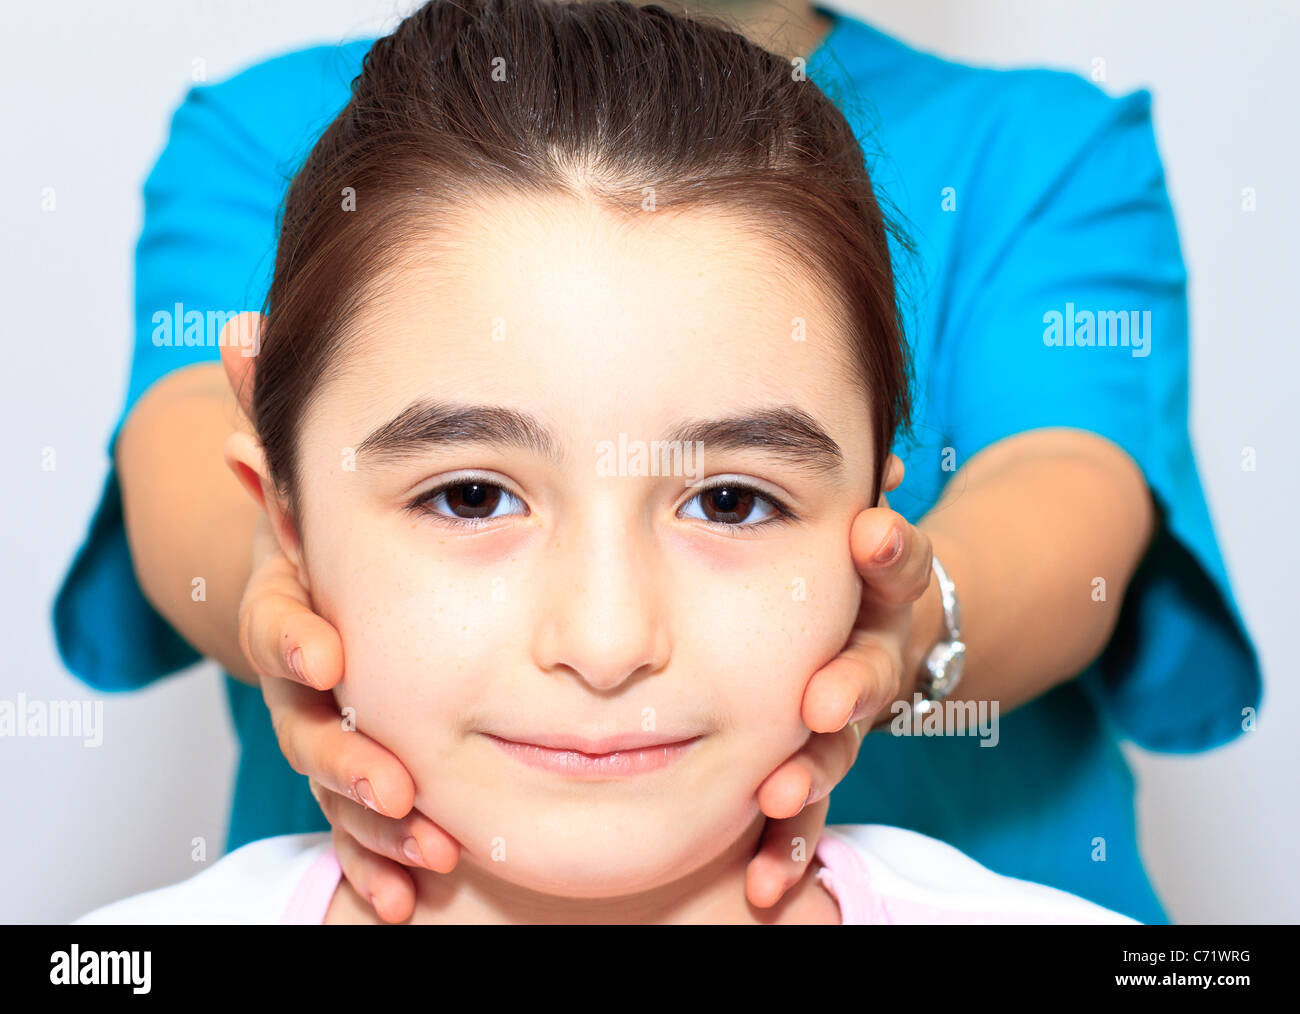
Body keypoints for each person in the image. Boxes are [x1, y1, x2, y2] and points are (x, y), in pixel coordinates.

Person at [54, 0, 1260, 926]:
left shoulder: (1040, 149)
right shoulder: (271, 136)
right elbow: (186, 490)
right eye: (471, 493)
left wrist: (905, 624)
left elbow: (1072, 499)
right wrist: (289, 585)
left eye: (731, 499)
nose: (605, 637)